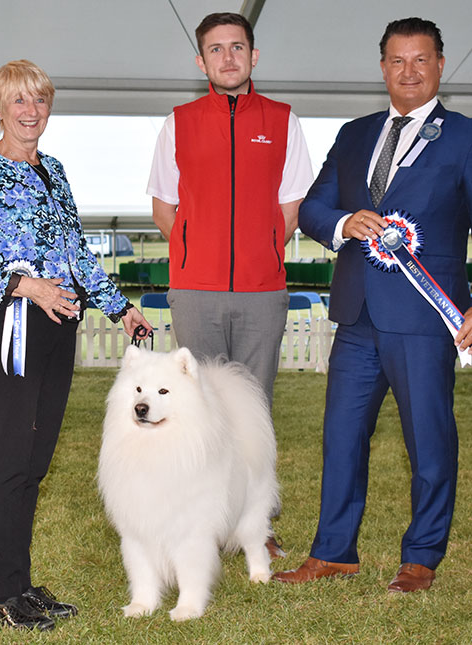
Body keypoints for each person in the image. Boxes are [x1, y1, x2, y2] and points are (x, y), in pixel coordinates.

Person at [273, 18, 472, 592]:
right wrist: (341, 221)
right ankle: (333, 551)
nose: (409, 71)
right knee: (341, 438)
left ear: (440, 65)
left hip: (426, 320)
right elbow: (312, 208)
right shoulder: (355, 132)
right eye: (397, 60)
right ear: (382, 66)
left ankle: (422, 557)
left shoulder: (463, 137)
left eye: (421, 60)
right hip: (357, 315)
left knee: (429, 440)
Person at [0, 59, 152, 631]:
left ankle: (21, 585)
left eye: (40, 101)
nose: (31, 112)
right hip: (9, 324)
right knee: (7, 459)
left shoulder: (55, 171)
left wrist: (119, 305)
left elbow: (75, 254)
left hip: (57, 325)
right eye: (19, 101)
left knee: (34, 461)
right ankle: (0, 595)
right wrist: (24, 285)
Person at [147, 11, 313, 560]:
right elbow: (163, 207)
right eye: (215, 49)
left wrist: (259, 250)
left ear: (254, 55)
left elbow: (292, 208)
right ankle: (202, 525)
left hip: (263, 292)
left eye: (237, 47)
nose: (227, 57)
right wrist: (198, 253)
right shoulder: (179, 121)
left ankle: (255, 526)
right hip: (195, 290)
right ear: (202, 61)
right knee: (197, 410)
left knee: (254, 412)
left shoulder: (284, 120)